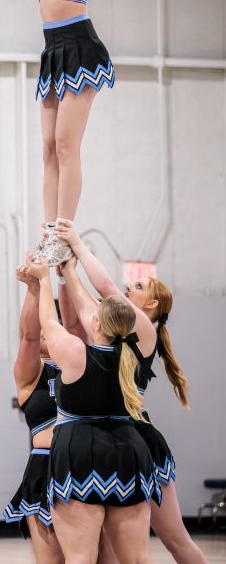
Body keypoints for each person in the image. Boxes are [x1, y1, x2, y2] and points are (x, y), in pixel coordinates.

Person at [56, 219, 207, 564]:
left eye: (138, 286)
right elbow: (84, 307)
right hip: (114, 440)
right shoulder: (112, 327)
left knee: (173, 537)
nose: (128, 287)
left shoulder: (143, 330)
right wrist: (67, 273)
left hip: (138, 440)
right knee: (110, 546)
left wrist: (78, 244)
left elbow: (106, 287)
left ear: (151, 305)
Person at [4, 0, 118, 266]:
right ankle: (49, 228)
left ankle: (65, 230)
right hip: (53, 51)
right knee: (49, 147)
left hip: (80, 47)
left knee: (67, 145)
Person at [25, 254, 160, 564]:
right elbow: (90, 310)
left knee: (80, 558)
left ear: (97, 321)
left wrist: (45, 279)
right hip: (129, 450)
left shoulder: (75, 352)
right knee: (138, 558)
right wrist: (69, 273)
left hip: (79, 451)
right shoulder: (140, 351)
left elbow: (48, 321)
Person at [3, 265, 64, 564]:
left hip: (85, 462)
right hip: (45, 466)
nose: (45, 335)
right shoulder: (31, 372)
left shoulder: (84, 363)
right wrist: (34, 287)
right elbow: (28, 337)